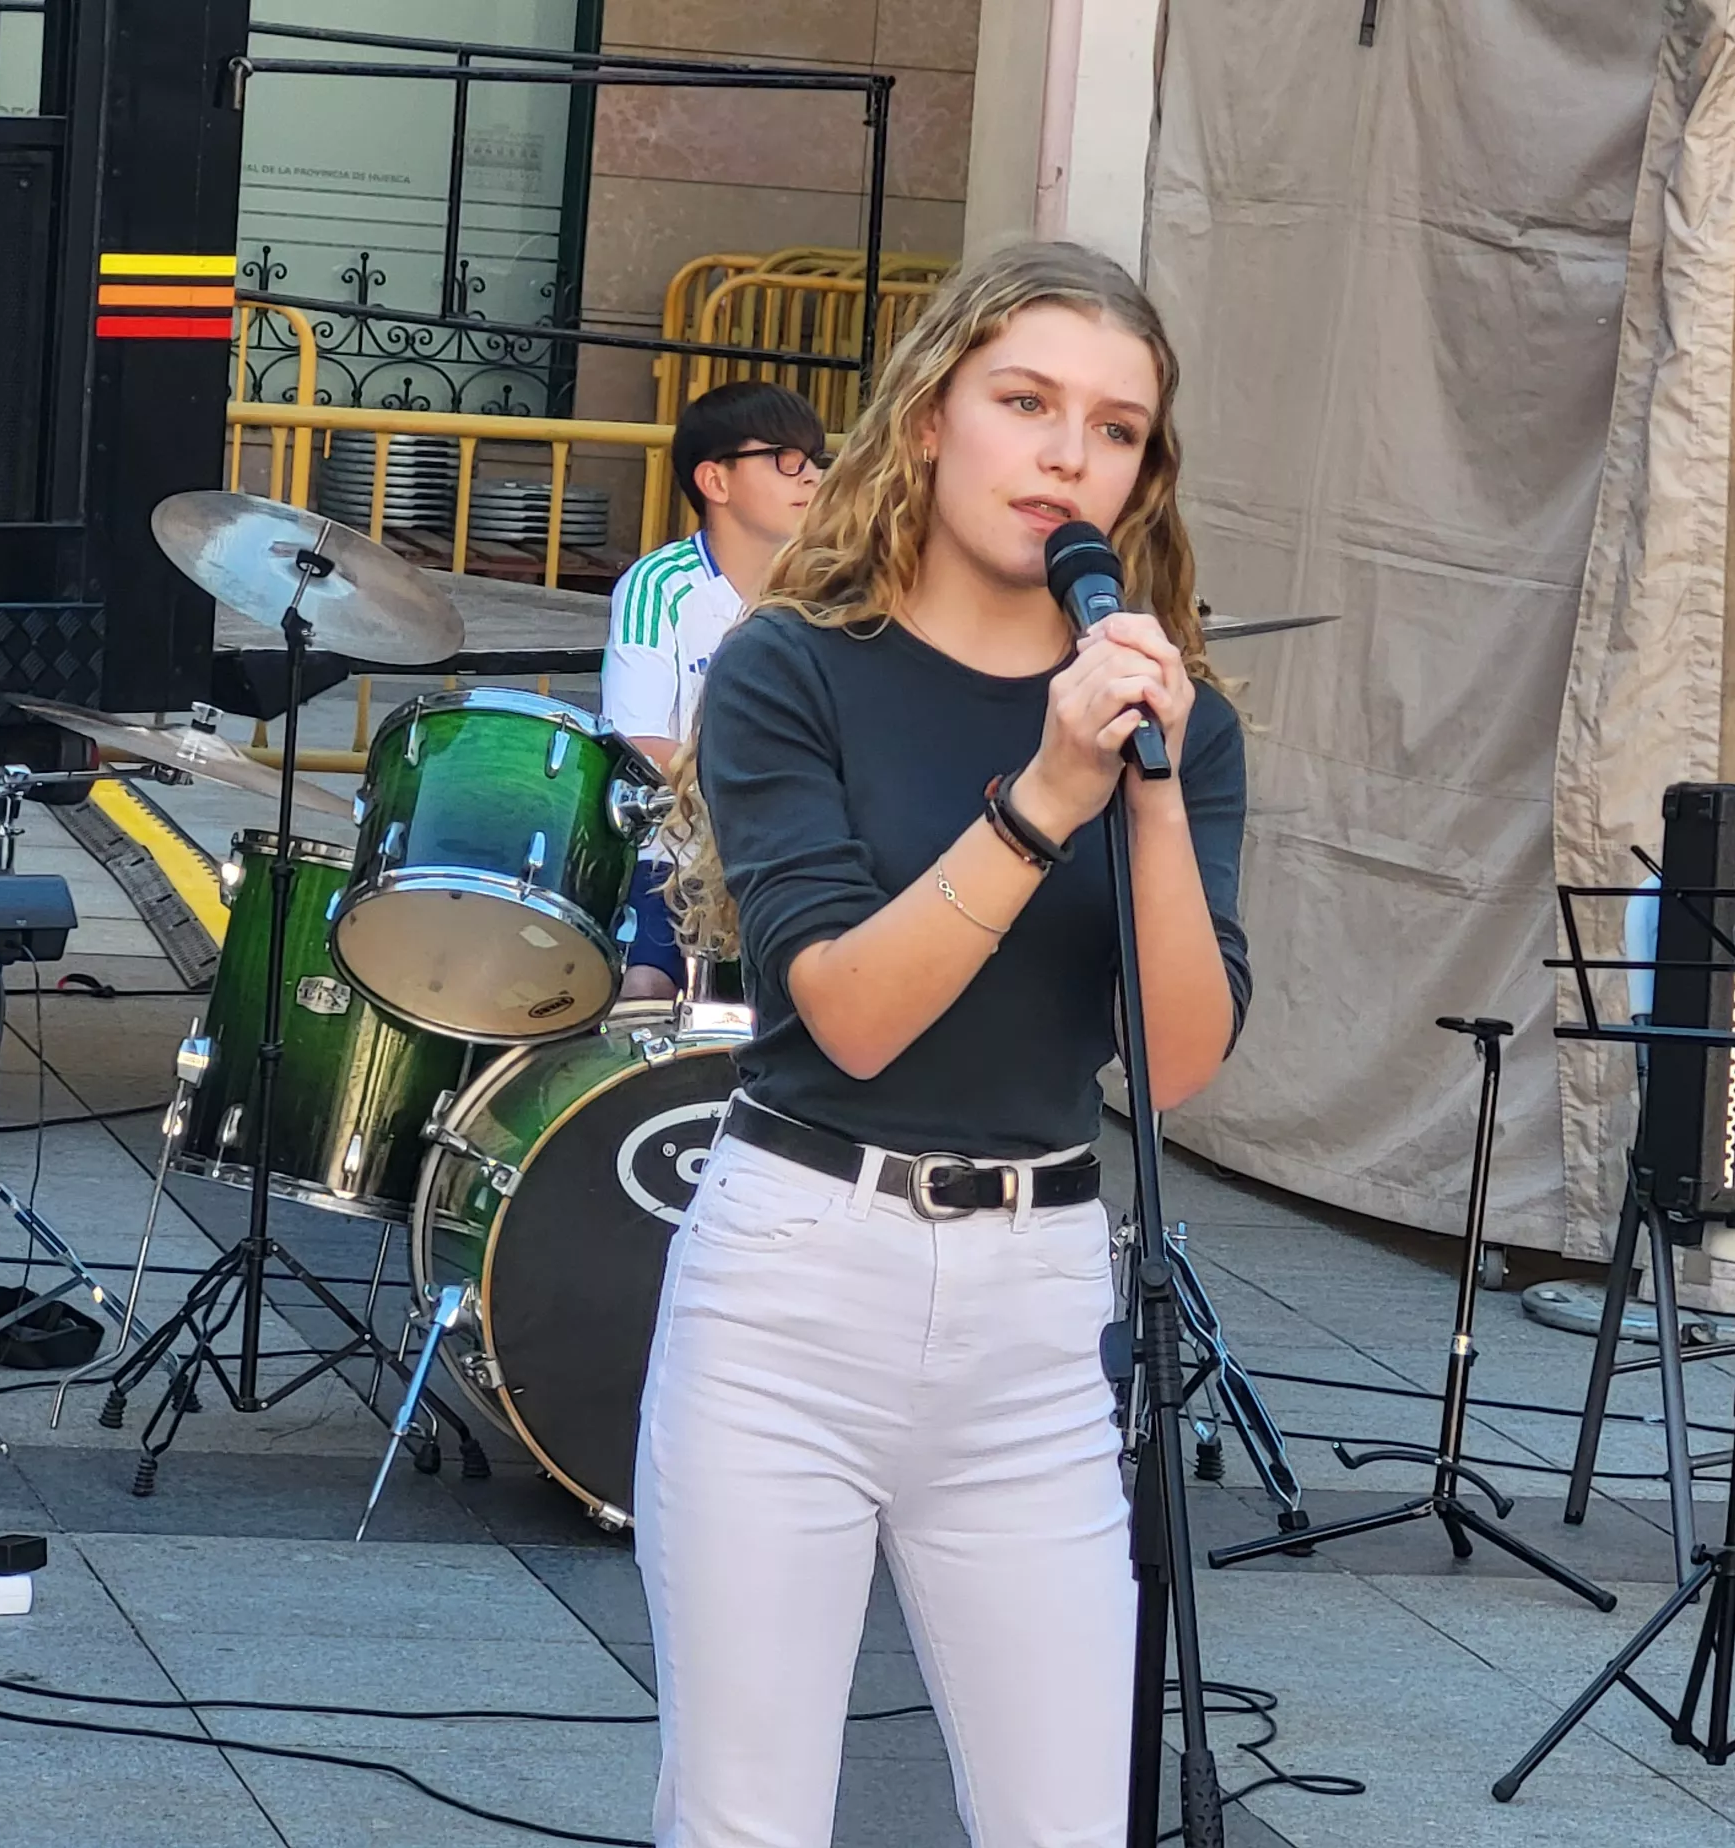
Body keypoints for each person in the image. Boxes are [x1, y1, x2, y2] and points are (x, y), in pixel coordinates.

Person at [636, 240, 1248, 1845]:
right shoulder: (795, 667)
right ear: (927, 422)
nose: (1069, 455)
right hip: (795, 1280)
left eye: (1116, 430)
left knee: (1071, 1820)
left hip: (1037, 1308)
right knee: (746, 1814)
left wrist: (1154, 784)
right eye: (1027, 402)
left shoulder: (1176, 712)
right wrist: (1048, 794)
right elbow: (843, 1007)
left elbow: (1173, 1066)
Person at [601, 380, 829, 1002]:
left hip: (800, 861)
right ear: (716, 482)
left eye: (814, 460)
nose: (810, 478)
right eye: (786, 459)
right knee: (643, 988)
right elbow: (637, 742)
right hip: (676, 864)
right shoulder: (659, 586)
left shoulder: (833, 591)